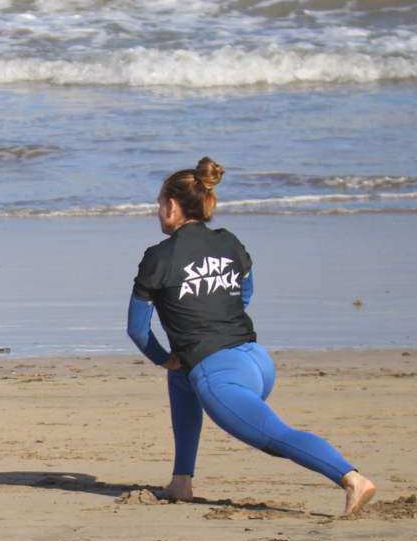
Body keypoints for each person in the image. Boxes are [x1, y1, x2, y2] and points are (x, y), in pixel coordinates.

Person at [127, 157, 376, 517]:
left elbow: (137, 328)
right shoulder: (228, 242)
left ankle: (351, 477)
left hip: (220, 377)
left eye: (159, 203)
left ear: (172, 204)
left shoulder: (158, 257)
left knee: (275, 437)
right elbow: (244, 294)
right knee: (181, 375)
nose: (158, 210)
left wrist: (162, 356)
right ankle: (181, 481)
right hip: (255, 361)